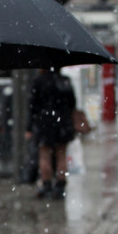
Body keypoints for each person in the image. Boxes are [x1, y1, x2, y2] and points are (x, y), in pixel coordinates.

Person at [26, 67, 77, 199]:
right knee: (61, 155)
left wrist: (29, 127)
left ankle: (46, 185)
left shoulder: (38, 81)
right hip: (63, 122)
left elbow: (32, 106)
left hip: (44, 123)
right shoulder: (65, 80)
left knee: (44, 156)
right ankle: (60, 187)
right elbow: (72, 103)